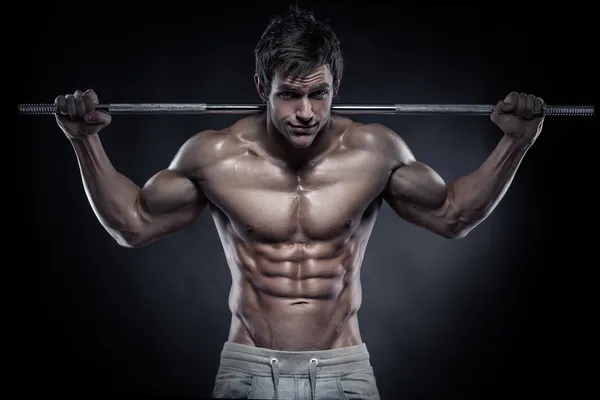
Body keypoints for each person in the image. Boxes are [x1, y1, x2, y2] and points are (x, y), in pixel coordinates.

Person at [53, 7, 545, 400]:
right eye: (289, 95)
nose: (306, 113)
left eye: (319, 95)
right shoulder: (215, 156)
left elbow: (453, 215)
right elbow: (133, 224)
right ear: (260, 87)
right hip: (249, 370)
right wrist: (84, 142)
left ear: (336, 88)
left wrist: (515, 143)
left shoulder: (375, 152)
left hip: (343, 371)